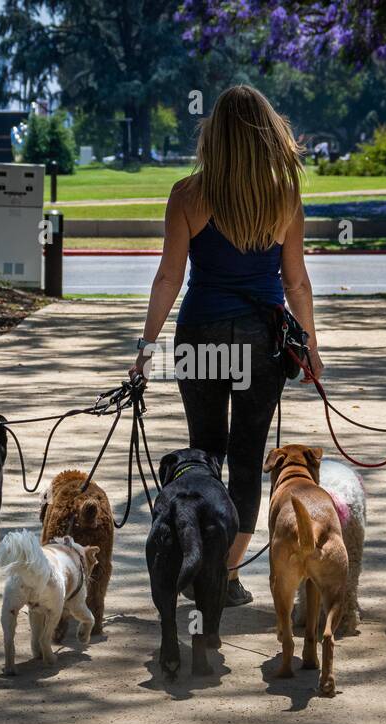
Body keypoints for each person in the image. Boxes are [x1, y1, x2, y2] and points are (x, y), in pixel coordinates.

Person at [129, 85, 323, 607]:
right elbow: (296, 283)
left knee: (205, 454)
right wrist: (309, 347)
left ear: (213, 135)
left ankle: (203, 564)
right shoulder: (284, 197)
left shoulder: (187, 195)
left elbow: (169, 277)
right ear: (268, 135)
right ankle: (228, 574)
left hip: (202, 336)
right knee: (246, 458)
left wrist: (146, 348)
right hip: (261, 341)